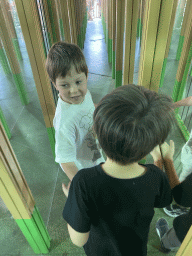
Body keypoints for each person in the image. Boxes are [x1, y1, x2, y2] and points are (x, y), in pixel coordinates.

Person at [63, 84, 176, 256]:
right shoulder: (156, 176)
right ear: (152, 146)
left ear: (98, 135)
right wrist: (161, 160)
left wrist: (74, 202)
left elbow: (78, 240)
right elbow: (162, 200)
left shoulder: (83, 182)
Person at [46, 41, 105, 197]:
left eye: (78, 82)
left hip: (92, 150)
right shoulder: (65, 122)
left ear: (86, 75)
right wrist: (82, 184)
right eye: (64, 85)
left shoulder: (83, 95)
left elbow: (88, 105)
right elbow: (65, 160)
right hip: (84, 168)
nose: (74, 91)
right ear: (54, 84)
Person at [151, 140, 192, 253]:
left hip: (187, 232)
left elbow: (179, 197)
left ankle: (165, 244)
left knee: (178, 236)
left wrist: (161, 159)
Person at [163, 96, 192, 217]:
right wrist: (175, 105)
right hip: (190, 151)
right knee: (186, 171)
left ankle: (181, 204)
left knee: (187, 180)